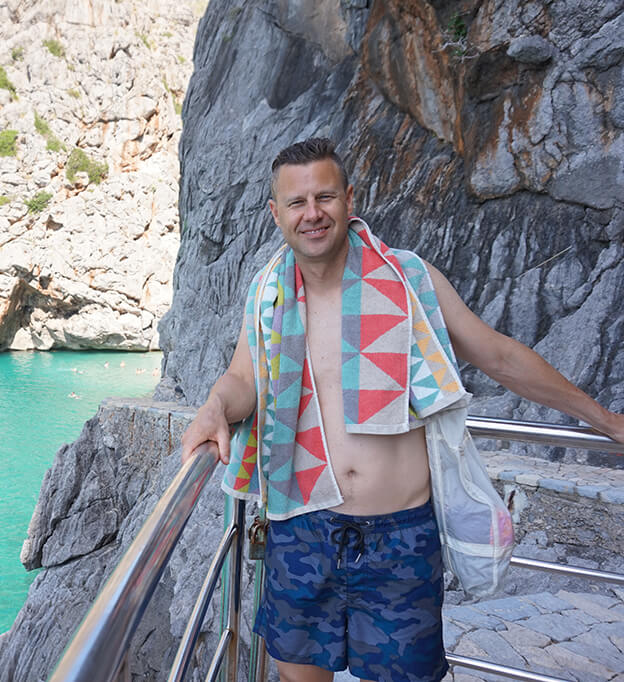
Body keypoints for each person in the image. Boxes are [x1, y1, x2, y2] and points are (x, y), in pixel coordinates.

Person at [180, 138, 624, 682]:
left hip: (398, 537)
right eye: (297, 202)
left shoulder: (410, 281)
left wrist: (606, 421)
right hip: (300, 528)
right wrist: (215, 406)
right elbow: (245, 379)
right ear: (276, 213)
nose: (312, 213)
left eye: (325, 196)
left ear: (348, 198)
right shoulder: (268, 293)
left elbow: (499, 356)